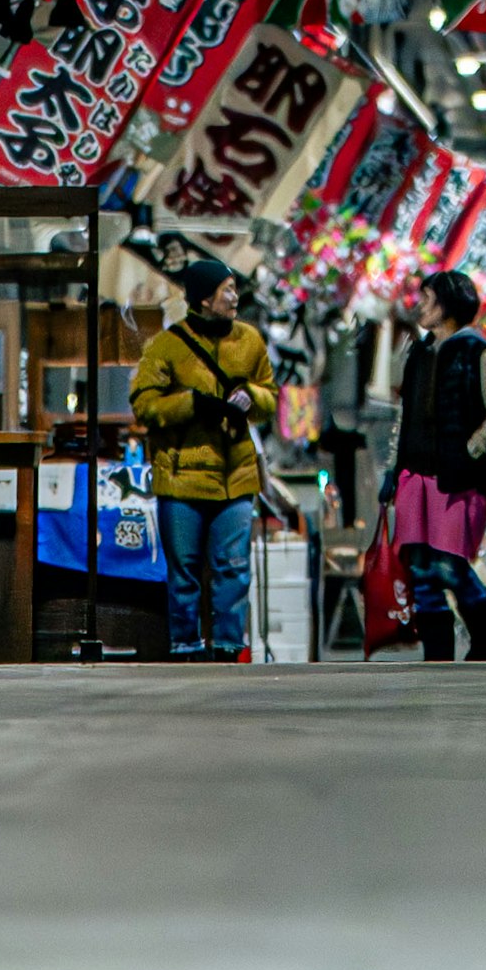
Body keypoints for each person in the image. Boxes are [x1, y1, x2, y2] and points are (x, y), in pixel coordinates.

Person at [129, 255, 275, 665]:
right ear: (204, 299)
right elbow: (144, 404)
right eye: (226, 289)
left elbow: (269, 398)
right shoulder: (166, 346)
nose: (234, 297)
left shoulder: (250, 342)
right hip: (181, 480)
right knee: (185, 571)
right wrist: (193, 404)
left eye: (234, 288)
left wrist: (250, 396)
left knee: (233, 567)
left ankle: (229, 648)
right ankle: (185, 647)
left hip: (237, 476)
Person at [386, 271, 486, 666]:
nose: (420, 307)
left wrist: (470, 451)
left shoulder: (477, 352)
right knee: (420, 568)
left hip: (457, 479)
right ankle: (437, 653)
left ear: (446, 305)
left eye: (427, 299)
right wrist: (393, 470)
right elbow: (405, 414)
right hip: (415, 475)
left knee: (450, 563)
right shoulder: (418, 353)